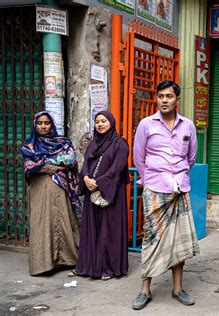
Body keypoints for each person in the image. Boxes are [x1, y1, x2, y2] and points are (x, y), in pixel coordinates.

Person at [132, 80, 199, 310]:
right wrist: (152, 179)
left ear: (177, 100)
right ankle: (145, 290)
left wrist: (177, 178)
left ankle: (178, 289)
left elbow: (191, 158)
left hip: (180, 189)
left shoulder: (188, 126)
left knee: (178, 240)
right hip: (154, 190)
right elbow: (138, 159)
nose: (164, 100)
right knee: (151, 238)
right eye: (160, 96)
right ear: (157, 99)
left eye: (168, 96)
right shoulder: (146, 125)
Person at [69, 111, 129, 280]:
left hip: (112, 194)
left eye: (103, 121)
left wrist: (98, 182)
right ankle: (88, 267)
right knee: (91, 229)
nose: (100, 124)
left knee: (108, 231)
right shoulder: (93, 144)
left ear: (111, 122)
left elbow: (116, 170)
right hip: (92, 192)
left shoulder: (120, 144)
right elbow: (86, 163)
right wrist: (86, 178)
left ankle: (108, 268)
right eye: (97, 122)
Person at [21, 111, 80, 276]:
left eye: (47, 123)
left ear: (52, 124)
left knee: (62, 220)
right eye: (40, 123)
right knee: (42, 223)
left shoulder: (62, 142)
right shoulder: (29, 146)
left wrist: (44, 164)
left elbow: (70, 160)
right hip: (39, 190)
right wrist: (51, 165)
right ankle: (43, 264)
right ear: (35, 125)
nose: (43, 126)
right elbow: (29, 166)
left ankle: (67, 260)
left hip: (60, 190)